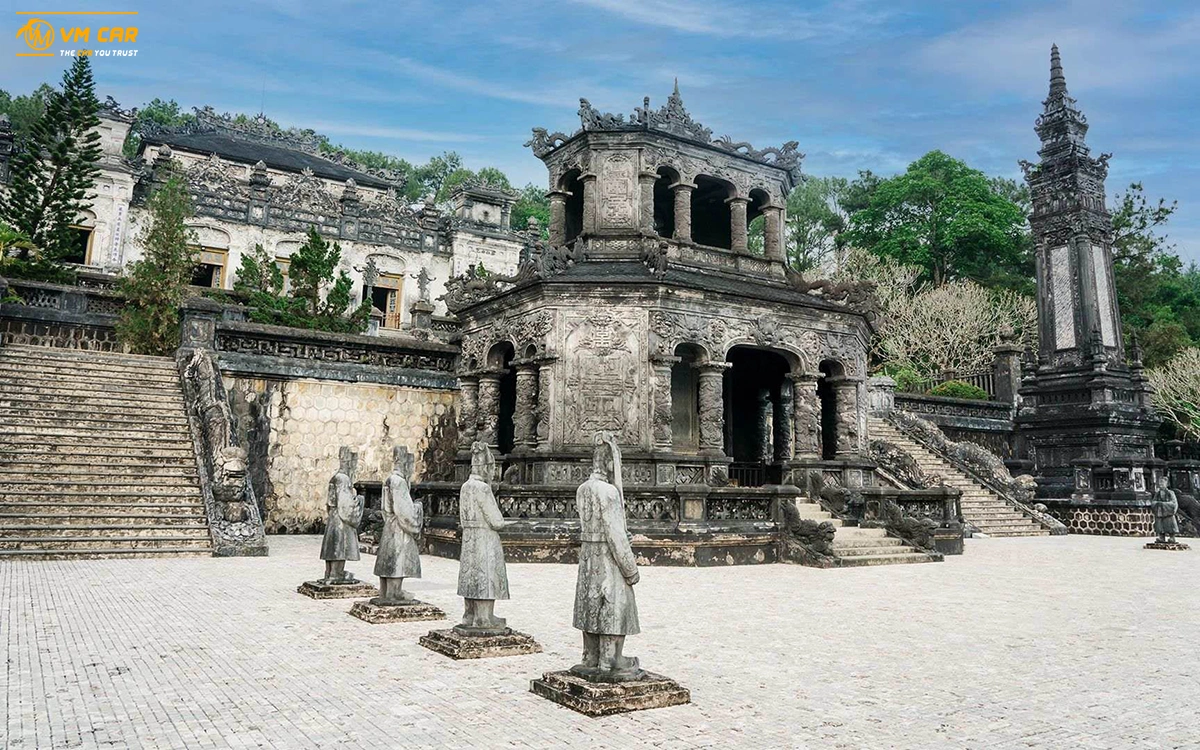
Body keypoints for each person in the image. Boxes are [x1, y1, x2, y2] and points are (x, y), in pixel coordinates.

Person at [571, 431, 643, 681]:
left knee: (590, 603)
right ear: (610, 463)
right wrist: (630, 569)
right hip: (608, 558)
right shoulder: (609, 492)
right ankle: (611, 658)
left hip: (589, 556)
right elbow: (615, 536)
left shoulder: (582, 490)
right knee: (613, 602)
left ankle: (591, 656)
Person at [455, 442, 515, 633]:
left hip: (469, 537)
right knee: (485, 574)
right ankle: (483, 617)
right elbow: (496, 520)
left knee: (470, 574)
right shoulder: (482, 488)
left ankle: (469, 614)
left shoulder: (465, 486)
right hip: (485, 537)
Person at [374, 445, 422, 603]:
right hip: (398, 527)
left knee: (388, 557)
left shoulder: (390, 479)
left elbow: (385, 507)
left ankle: (386, 591)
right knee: (397, 558)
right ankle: (394, 593)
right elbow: (405, 512)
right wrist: (417, 508)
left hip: (390, 524)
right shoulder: (399, 482)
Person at [320, 447, 364, 583]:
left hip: (334, 516)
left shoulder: (336, 477)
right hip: (340, 518)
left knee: (333, 546)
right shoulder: (344, 479)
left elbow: (330, 503)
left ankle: (330, 572)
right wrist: (359, 501)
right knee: (340, 547)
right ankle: (336, 574)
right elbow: (345, 506)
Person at [1151, 476, 1180, 545]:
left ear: (1166, 484)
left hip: (1168, 513)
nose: (1161, 484)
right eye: (1160, 483)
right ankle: (1161, 537)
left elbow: (1174, 503)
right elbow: (1153, 502)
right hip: (1160, 512)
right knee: (1159, 524)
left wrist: (1164, 504)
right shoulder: (1157, 493)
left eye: (1163, 483)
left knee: (1170, 524)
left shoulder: (1170, 493)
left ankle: (1172, 537)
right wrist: (1157, 504)